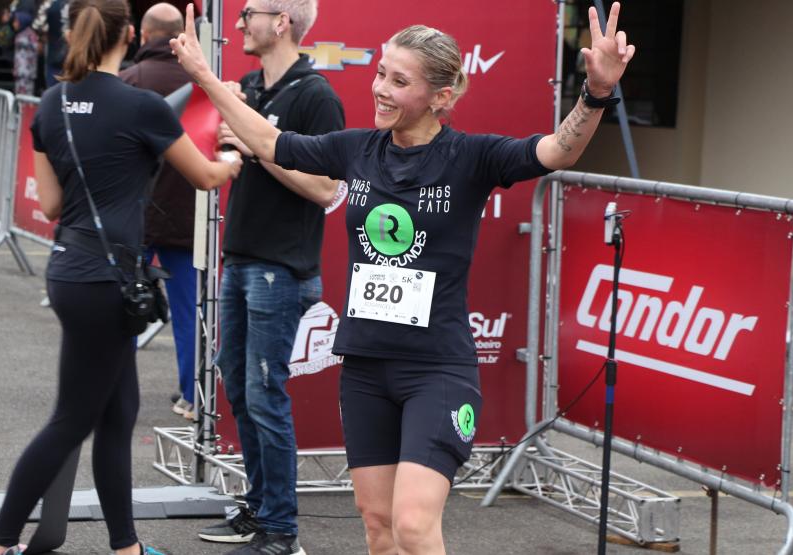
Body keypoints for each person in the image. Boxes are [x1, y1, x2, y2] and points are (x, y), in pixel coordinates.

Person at [172, 1, 634, 553]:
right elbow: (272, 143)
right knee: (379, 527)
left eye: (399, 80)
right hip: (366, 368)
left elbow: (556, 151)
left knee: (414, 525)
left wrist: (596, 93)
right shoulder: (358, 149)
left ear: (440, 96)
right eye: (380, 74)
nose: (381, 90)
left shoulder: (471, 156)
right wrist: (204, 76)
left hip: (435, 369)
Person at [0, 0, 242, 553]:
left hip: (73, 271)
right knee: (71, 420)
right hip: (108, 281)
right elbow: (206, 177)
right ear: (127, 34)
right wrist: (236, 157)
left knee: (118, 415)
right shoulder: (141, 106)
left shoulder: (51, 103)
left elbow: (49, 205)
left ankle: (126, 547)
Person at [192, 1, 344, 554]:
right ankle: (259, 509)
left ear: (280, 22)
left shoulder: (315, 95)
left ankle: (282, 531)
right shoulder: (251, 87)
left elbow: (328, 188)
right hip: (242, 259)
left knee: (264, 394)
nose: (237, 24)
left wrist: (258, 151)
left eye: (248, 13)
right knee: (240, 387)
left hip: (280, 269)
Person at [119, 2, 199, 421]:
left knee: (126, 307)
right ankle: (192, 395)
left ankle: (119, 395)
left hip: (136, 216)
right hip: (187, 218)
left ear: (144, 34)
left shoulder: (128, 82)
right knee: (190, 313)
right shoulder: (201, 83)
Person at [32, 0, 70, 88]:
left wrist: (43, 36)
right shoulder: (79, 4)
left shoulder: (49, 4)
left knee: (53, 91)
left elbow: (37, 25)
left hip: (53, 54)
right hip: (74, 56)